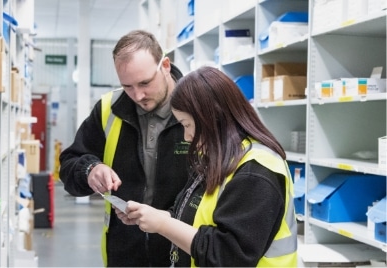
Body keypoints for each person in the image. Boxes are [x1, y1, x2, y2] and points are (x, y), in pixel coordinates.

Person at [117, 66, 298, 267]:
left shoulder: (256, 173)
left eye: (187, 124)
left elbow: (227, 255)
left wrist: (163, 224)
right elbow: (196, 216)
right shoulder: (216, 157)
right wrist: (156, 217)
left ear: (212, 118)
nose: (186, 137)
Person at [59, 30, 190, 267]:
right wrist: (90, 170)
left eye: (145, 83)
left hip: (184, 249)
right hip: (125, 253)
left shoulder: (198, 107)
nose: (138, 95)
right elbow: (69, 165)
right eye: (127, 86)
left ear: (166, 66)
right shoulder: (109, 109)